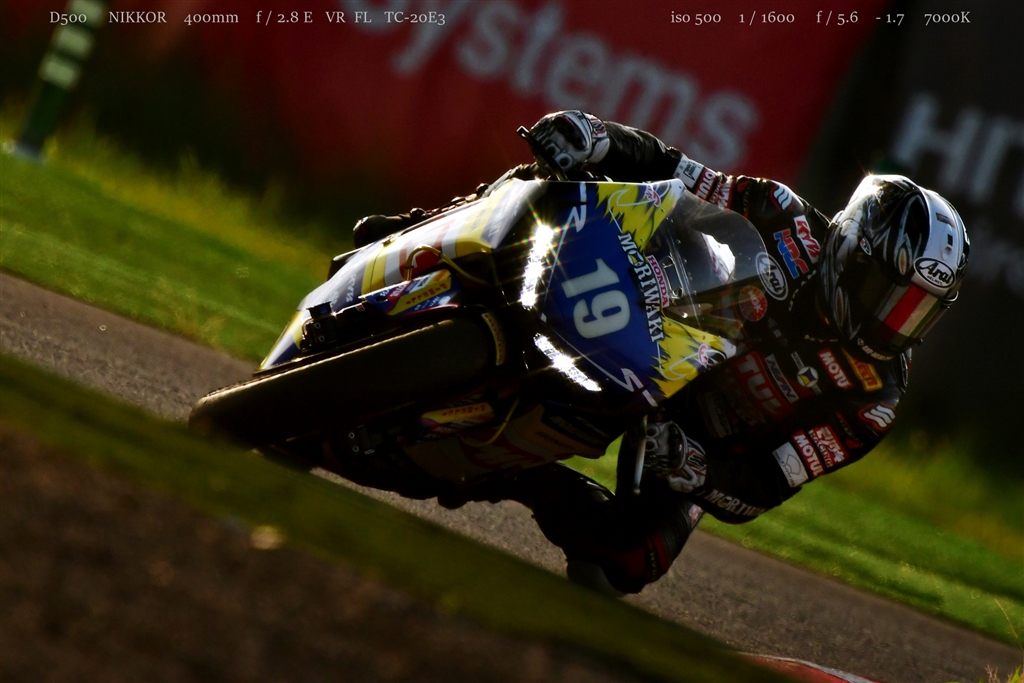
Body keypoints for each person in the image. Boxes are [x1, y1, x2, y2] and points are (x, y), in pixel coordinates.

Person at [354, 110, 970, 595]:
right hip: (656, 326)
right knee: (561, 185)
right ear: (851, 249)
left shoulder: (873, 397)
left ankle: (509, 473)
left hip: (696, 434)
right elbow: (673, 169)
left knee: (626, 562)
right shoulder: (783, 215)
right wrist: (597, 138)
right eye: (888, 294)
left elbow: (767, 485)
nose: (894, 321)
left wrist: (699, 469)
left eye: (917, 310)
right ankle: (424, 231)